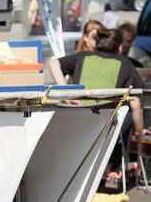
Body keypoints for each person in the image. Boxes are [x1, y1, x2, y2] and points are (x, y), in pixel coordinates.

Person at [49, 28, 143, 190]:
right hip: (106, 123)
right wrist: (139, 133)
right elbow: (136, 105)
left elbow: (53, 63)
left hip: (78, 121)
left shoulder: (82, 57)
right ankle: (114, 171)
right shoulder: (126, 64)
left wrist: (66, 91)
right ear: (120, 47)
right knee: (124, 114)